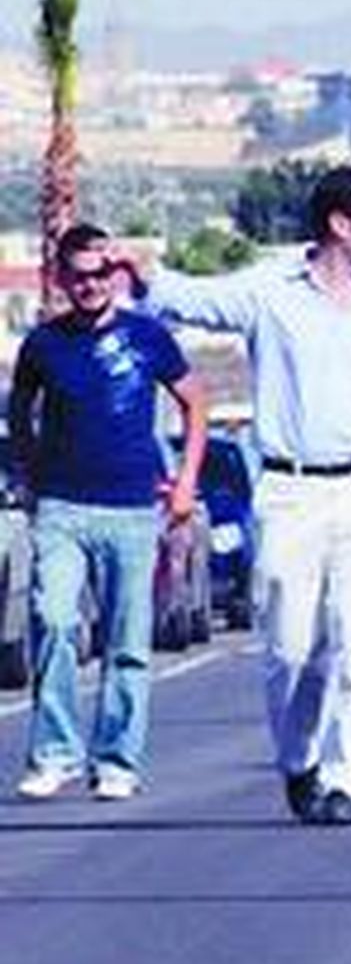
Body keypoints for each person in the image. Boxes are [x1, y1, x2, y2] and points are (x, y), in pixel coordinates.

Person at [117, 165, 351, 827]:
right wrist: (147, 277)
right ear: (339, 223)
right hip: (291, 489)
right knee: (292, 649)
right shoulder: (271, 293)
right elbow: (199, 299)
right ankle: (300, 760)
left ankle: (348, 780)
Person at [9, 223, 208, 801]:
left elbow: (195, 402)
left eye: (101, 274)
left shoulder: (148, 338)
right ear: (62, 278)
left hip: (130, 510)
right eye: (79, 275)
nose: (90, 285)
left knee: (127, 640)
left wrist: (186, 482)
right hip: (61, 509)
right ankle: (55, 753)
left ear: (114, 276)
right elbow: (20, 413)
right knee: (54, 622)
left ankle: (117, 760)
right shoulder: (43, 345)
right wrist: (26, 477)